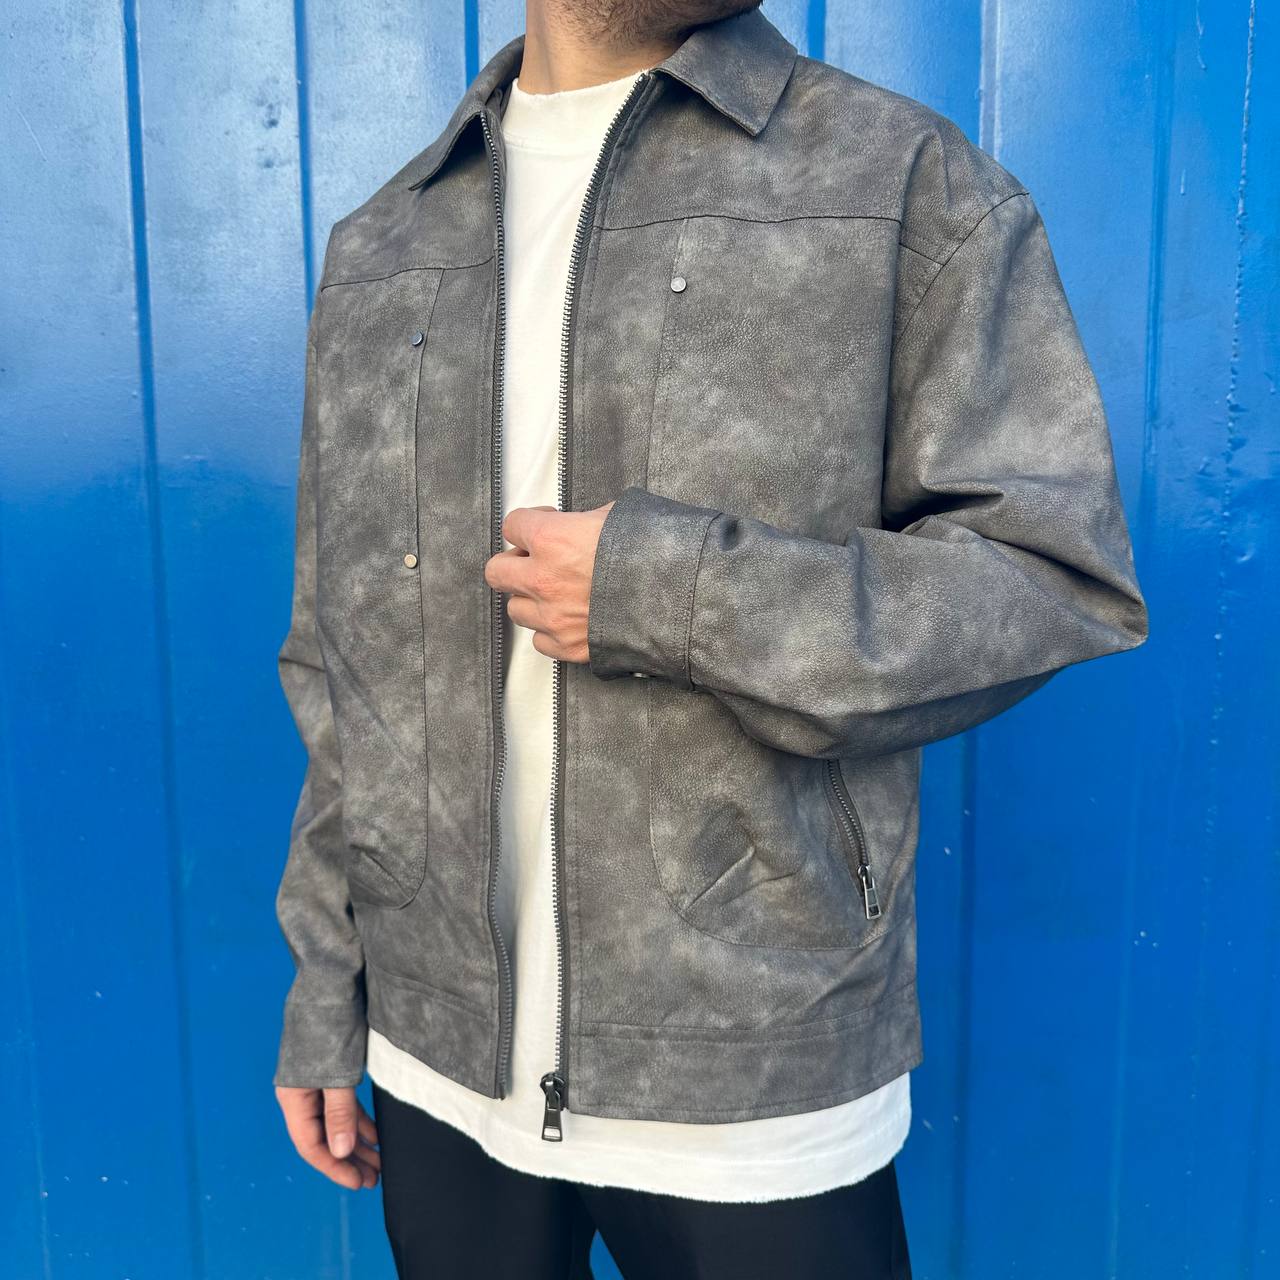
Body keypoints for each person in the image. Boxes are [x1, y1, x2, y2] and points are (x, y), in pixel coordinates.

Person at [270, 3, 1148, 1277]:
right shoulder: (384, 241)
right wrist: (325, 981)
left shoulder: (897, 180)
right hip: (434, 1056)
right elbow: (339, 656)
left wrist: (667, 592)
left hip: (751, 1074)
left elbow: (1052, 574)